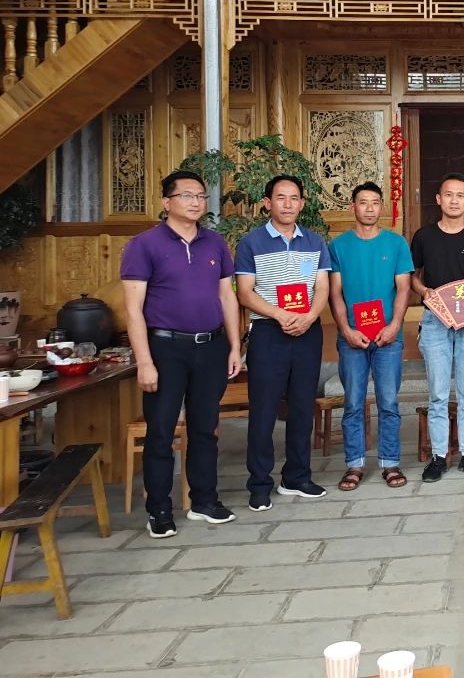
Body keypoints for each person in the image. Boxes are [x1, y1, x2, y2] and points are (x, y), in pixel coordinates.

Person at [120, 171, 241, 538]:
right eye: (187, 195)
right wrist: (144, 361)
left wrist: (235, 346)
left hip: (211, 346)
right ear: (166, 202)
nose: (195, 202)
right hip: (165, 348)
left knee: (205, 428)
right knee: (160, 430)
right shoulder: (144, 245)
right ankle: (159, 509)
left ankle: (204, 501)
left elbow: (227, 296)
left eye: (201, 196)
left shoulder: (214, 243)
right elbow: (133, 309)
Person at [235, 174, 331, 510]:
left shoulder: (315, 242)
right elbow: (245, 292)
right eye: (280, 198)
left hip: (307, 331)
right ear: (267, 203)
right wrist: (280, 315)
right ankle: (260, 483)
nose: (288, 204)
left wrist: (309, 316)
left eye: (294, 198)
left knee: (303, 407)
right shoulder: (251, 243)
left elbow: (322, 287)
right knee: (264, 409)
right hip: (268, 332)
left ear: (302, 203)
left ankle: (297, 477)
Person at [328, 182, 414, 491]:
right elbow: (335, 294)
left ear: (382, 207)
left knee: (388, 401)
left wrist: (394, 326)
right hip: (352, 338)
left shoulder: (396, 244)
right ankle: (354, 464)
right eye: (363, 202)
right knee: (353, 402)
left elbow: (403, 289)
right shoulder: (338, 246)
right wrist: (346, 330)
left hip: (388, 337)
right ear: (353, 207)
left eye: (375, 202)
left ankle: (390, 462)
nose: (369, 208)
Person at [410, 173, 464, 481]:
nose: (454, 200)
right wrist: (424, 292)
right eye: (449, 194)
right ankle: (438, 456)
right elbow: (413, 277)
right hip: (435, 321)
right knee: (438, 393)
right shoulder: (424, 236)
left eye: (460, 195)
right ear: (438, 199)